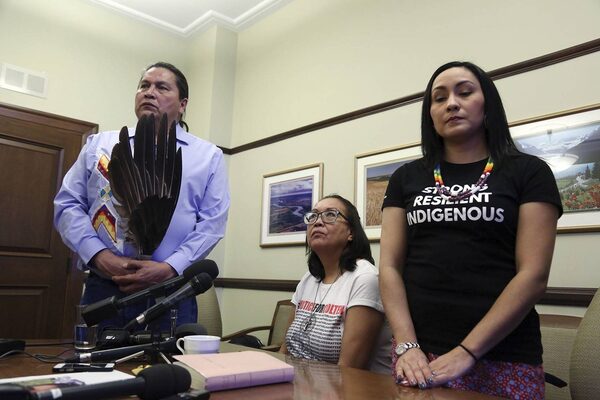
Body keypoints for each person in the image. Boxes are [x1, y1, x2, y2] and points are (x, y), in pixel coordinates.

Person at [379, 61, 562, 399]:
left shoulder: (529, 172)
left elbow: (533, 274)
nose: (451, 103)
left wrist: (467, 352)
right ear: (430, 114)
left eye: (464, 92)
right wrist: (406, 345)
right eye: (439, 98)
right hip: (417, 355)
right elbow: (389, 266)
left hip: (503, 356)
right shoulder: (406, 177)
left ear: (487, 103)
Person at [54, 62, 230, 331]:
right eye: (144, 86)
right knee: (99, 358)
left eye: (162, 87)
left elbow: (211, 224)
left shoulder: (208, 157)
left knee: (169, 359)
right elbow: (68, 204)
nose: (149, 92)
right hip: (106, 286)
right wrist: (98, 255)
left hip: (171, 291)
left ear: (183, 104)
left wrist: (170, 267)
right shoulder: (100, 146)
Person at [281, 194, 391, 374]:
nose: (317, 222)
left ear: (351, 233)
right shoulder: (308, 279)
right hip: (299, 381)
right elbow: (285, 350)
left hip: (349, 385)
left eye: (330, 215)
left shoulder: (365, 278)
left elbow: (348, 369)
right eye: (313, 216)